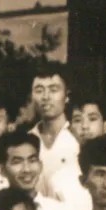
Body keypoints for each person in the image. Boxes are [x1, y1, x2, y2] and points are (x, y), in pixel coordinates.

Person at [50, 94, 106, 210]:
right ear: (70, 129)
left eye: (92, 119)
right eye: (77, 120)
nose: (84, 126)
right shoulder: (60, 180)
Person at [30, 65, 79, 197]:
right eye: (39, 90)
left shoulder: (78, 138)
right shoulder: (27, 139)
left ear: (67, 96)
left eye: (53, 90)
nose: (45, 97)